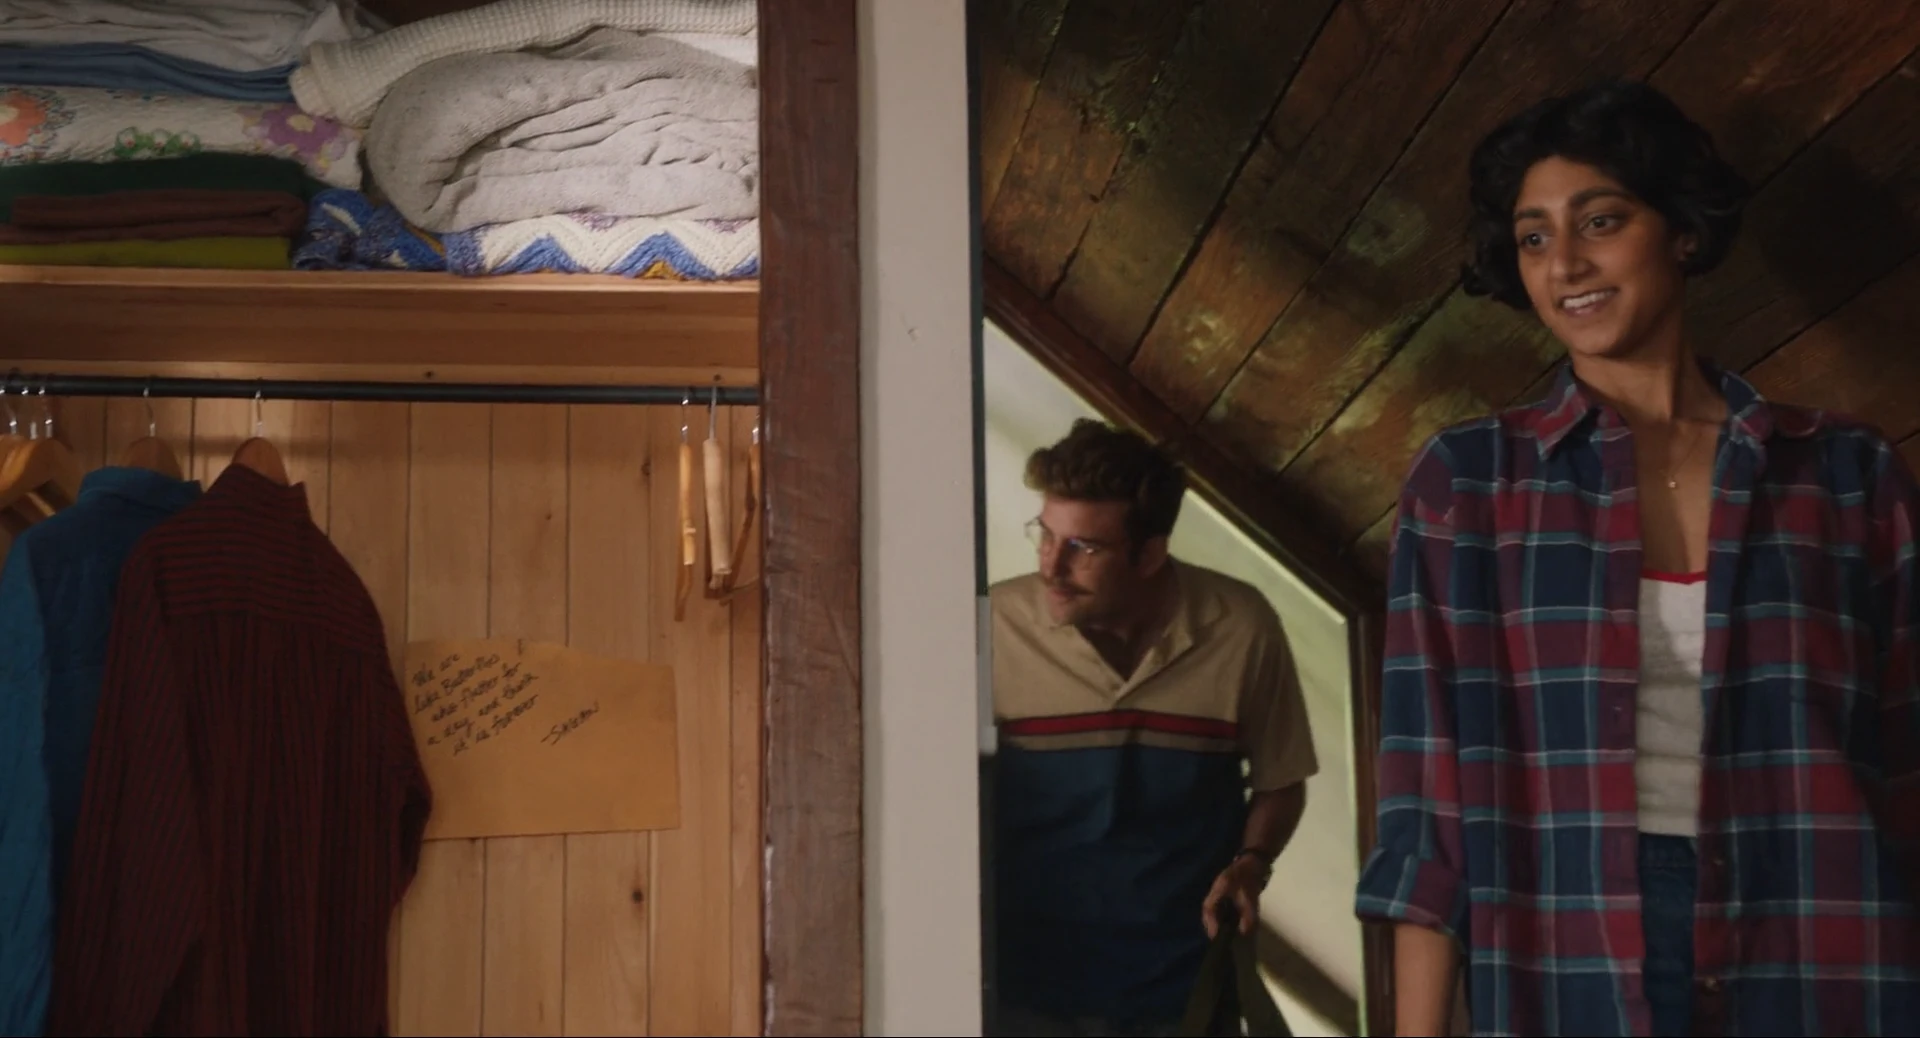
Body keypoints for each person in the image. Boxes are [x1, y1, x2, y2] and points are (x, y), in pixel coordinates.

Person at [1354, 79, 1920, 1037]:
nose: (1566, 263)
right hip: (1570, 952)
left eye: (1600, 221)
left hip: (1828, 942)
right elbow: (1427, 806)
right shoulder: (1470, 484)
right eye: (1534, 238)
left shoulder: (1846, 474)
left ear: (1683, 232)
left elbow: (1910, 766)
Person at [988, 418, 1317, 1037]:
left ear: (1150, 553)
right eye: (1045, 535)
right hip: (1027, 990)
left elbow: (1282, 780)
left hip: (1188, 988)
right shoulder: (992, 626)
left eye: (1083, 548)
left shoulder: (1241, 625)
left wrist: (1252, 863)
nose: (1052, 565)